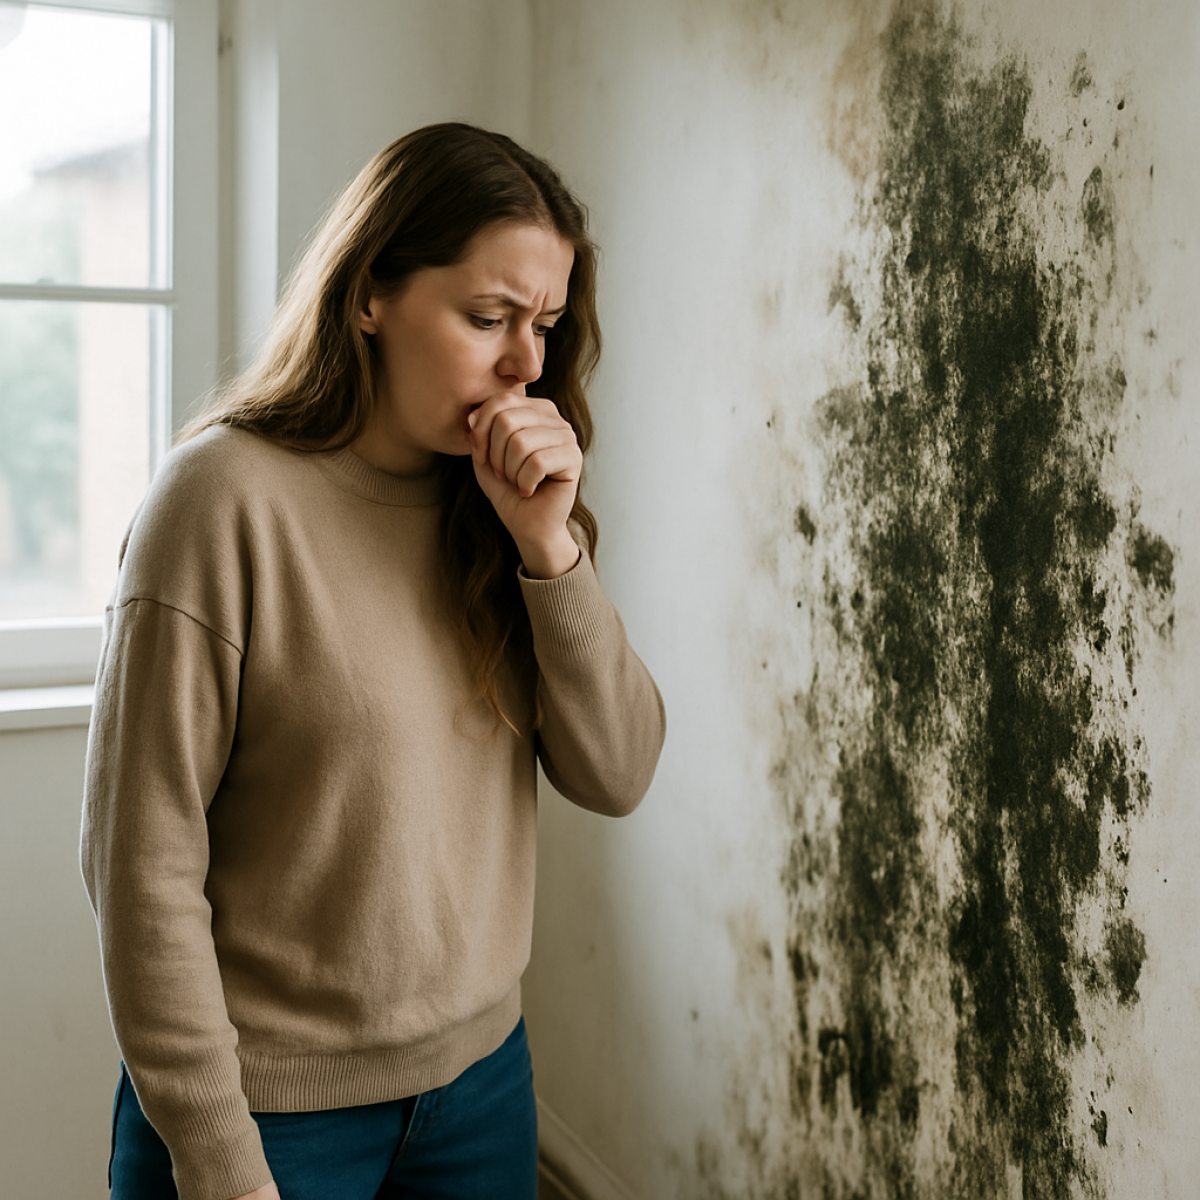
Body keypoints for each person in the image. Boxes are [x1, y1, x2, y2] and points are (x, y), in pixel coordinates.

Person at [81, 122, 666, 1200]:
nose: (527, 363)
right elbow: (141, 869)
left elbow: (619, 771)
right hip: (265, 1117)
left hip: (482, 1091)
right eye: (488, 317)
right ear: (370, 294)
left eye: (544, 322)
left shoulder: (505, 510)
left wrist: (549, 549)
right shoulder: (219, 502)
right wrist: (219, 1162)